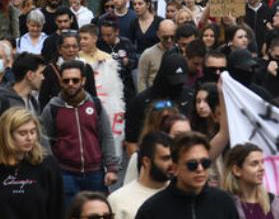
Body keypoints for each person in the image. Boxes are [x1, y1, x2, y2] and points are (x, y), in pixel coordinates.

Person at [40, 60, 119, 205]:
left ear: (83, 81)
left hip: (95, 172)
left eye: (75, 80)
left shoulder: (95, 104)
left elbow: (106, 136)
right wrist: (52, 171)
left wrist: (112, 168)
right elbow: (45, 142)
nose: (71, 84)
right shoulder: (51, 109)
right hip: (65, 173)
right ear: (61, 82)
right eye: (66, 80)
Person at [136, 131, 239, 219]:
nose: (200, 169)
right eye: (192, 164)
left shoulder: (224, 202)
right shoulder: (152, 210)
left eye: (205, 163)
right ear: (175, 168)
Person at [0, 107, 64, 219]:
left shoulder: (47, 165)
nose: (29, 138)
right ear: (7, 135)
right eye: (22, 133)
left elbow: (57, 209)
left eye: (33, 132)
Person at [108, 130, 173, 219]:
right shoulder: (118, 200)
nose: (172, 164)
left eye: (174, 158)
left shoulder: (181, 193)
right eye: (165, 158)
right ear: (146, 161)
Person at [223, 143, 279, 219]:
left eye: (262, 162)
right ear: (237, 170)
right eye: (254, 164)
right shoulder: (225, 205)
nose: (262, 168)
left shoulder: (275, 204)